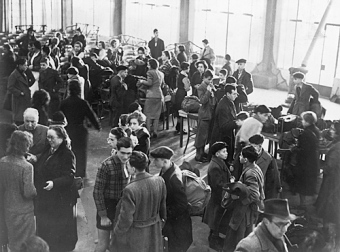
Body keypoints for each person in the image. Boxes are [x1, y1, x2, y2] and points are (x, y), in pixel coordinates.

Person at [111, 151, 167, 252]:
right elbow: (163, 208)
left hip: (136, 234)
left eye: (127, 165)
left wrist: (116, 232)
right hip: (154, 230)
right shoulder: (160, 180)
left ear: (133, 168)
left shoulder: (130, 189)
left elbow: (126, 219)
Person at [34, 125, 78, 251]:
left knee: (58, 230)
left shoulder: (67, 154)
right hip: (46, 196)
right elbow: (43, 161)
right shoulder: (49, 149)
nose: (49, 140)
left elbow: (69, 176)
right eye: (47, 137)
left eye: (52, 137)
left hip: (60, 199)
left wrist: (54, 183)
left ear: (61, 138)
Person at [93, 137, 133, 252]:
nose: (125, 157)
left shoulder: (130, 163)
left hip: (122, 206)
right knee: (103, 244)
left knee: (118, 243)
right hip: (107, 205)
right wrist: (103, 216)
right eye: (122, 153)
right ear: (116, 150)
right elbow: (97, 192)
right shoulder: (106, 165)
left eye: (129, 153)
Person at [150, 146, 193, 252]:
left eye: (156, 160)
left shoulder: (174, 179)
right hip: (174, 222)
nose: (153, 162)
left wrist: (165, 213)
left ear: (164, 161)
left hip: (177, 224)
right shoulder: (167, 169)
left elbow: (182, 204)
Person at [223, 145, 265, 251]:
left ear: (245, 159)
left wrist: (238, 198)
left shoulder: (250, 173)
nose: (239, 157)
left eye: (241, 155)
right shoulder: (255, 167)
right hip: (251, 209)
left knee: (238, 235)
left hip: (245, 211)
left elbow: (255, 195)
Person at [0, 131, 36, 252]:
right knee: (26, 244)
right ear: (26, 146)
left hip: (8, 208)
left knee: (13, 242)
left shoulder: (2, 161)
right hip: (24, 211)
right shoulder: (27, 167)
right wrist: (37, 191)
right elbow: (28, 192)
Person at [60, 81, 101, 178]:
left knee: (68, 150)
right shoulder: (83, 103)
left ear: (69, 90)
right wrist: (97, 126)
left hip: (68, 129)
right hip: (80, 130)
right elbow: (91, 115)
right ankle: (80, 174)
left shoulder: (64, 103)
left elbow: (59, 116)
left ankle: (68, 171)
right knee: (81, 153)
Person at [203, 142, 232, 251]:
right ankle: (213, 242)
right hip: (218, 197)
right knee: (215, 220)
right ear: (217, 153)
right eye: (224, 151)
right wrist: (230, 185)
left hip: (221, 196)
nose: (226, 153)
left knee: (217, 220)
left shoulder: (220, 162)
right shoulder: (215, 166)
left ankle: (215, 238)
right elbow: (217, 184)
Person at [316, 121, 340, 244]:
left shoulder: (337, 148)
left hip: (333, 182)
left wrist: (322, 169)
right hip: (335, 180)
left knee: (328, 206)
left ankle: (328, 234)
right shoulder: (336, 144)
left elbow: (330, 166)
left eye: (332, 129)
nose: (330, 130)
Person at [291, 111, 320, 210]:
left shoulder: (305, 133)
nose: (302, 122)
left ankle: (302, 205)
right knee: (309, 183)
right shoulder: (316, 130)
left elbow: (303, 150)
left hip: (304, 162)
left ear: (307, 121)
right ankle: (307, 204)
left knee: (302, 183)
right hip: (313, 161)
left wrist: (294, 148)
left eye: (303, 120)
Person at [210, 85, 240, 164]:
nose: (236, 96)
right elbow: (224, 126)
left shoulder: (229, 102)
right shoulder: (223, 106)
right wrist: (237, 123)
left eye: (236, 94)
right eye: (234, 94)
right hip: (221, 137)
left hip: (227, 135)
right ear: (228, 94)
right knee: (221, 162)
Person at [249, 134, 282, 199]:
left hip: (260, 189)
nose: (251, 148)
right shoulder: (246, 153)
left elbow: (274, 174)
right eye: (250, 146)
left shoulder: (268, 158)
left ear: (260, 146)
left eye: (254, 146)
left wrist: (278, 186)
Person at [138, 58, 164, 138]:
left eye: (148, 64)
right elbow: (162, 85)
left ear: (151, 65)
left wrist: (142, 81)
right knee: (156, 115)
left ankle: (148, 132)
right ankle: (155, 131)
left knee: (148, 114)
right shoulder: (161, 73)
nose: (147, 65)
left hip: (151, 95)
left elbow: (149, 83)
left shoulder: (150, 72)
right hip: (159, 95)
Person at [194, 69, 216, 162]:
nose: (210, 81)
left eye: (211, 79)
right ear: (203, 78)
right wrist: (208, 91)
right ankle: (198, 156)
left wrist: (213, 92)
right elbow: (202, 100)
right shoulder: (201, 87)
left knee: (206, 136)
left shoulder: (209, 86)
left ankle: (202, 153)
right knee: (201, 136)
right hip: (204, 114)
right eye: (209, 79)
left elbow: (214, 102)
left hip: (210, 114)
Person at [7, 58, 35, 125]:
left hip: (24, 98)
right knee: (19, 117)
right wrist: (20, 93)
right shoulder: (14, 75)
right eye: (25, 65)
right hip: (19, 99)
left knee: (24, 115)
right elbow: (10, 87)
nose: (26, 67)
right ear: (20, 65)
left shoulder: (23, 73)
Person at [174, 62, 190, 133]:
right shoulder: (184, 77)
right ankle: (180, 128)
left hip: (178, 93)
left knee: (178, 110)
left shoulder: (179, 75)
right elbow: (187, 88)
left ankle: (178, 127)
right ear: (186, 68)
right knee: (181, 111)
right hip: (182, 94)